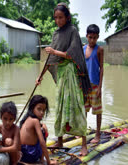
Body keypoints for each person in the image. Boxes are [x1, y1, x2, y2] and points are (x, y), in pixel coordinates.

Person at [36, 2, 92, 156]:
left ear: (67, 17)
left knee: (76, 106)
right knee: (60, 106)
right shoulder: (55, 34)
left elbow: (71, 54)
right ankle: (60, 140)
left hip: (71, 74)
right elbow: (50, 59)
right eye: (55, 18)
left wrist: (54, 51)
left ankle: (84, 144)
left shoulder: (73, 31)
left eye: (60, 17)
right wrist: (40, 77)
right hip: (61, 75)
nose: (58, 20)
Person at [19, 95, 55, 165]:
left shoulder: (27, 118)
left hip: (22, 154)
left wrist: (42, 125)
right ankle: (42, 159)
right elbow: (42, 142)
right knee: (44, 131)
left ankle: (41, 157)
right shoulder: (35, 121)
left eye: (43, 110)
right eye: (39, 109)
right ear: (32, 108)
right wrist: (49, 162)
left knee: (43, 127)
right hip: (30, 155)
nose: (42, 112)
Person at [83, 24, 104, 143]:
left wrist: (100, 87)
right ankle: (83, 131)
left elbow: (102, 68)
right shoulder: (83, 49)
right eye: (90, 37)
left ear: (97, 37)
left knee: (97, 111)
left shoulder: (99, 49)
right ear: (86, 36)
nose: (92, 40)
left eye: (95, 38)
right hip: (85, 86)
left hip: (95, 85)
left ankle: (97, 135)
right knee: (84, 110)